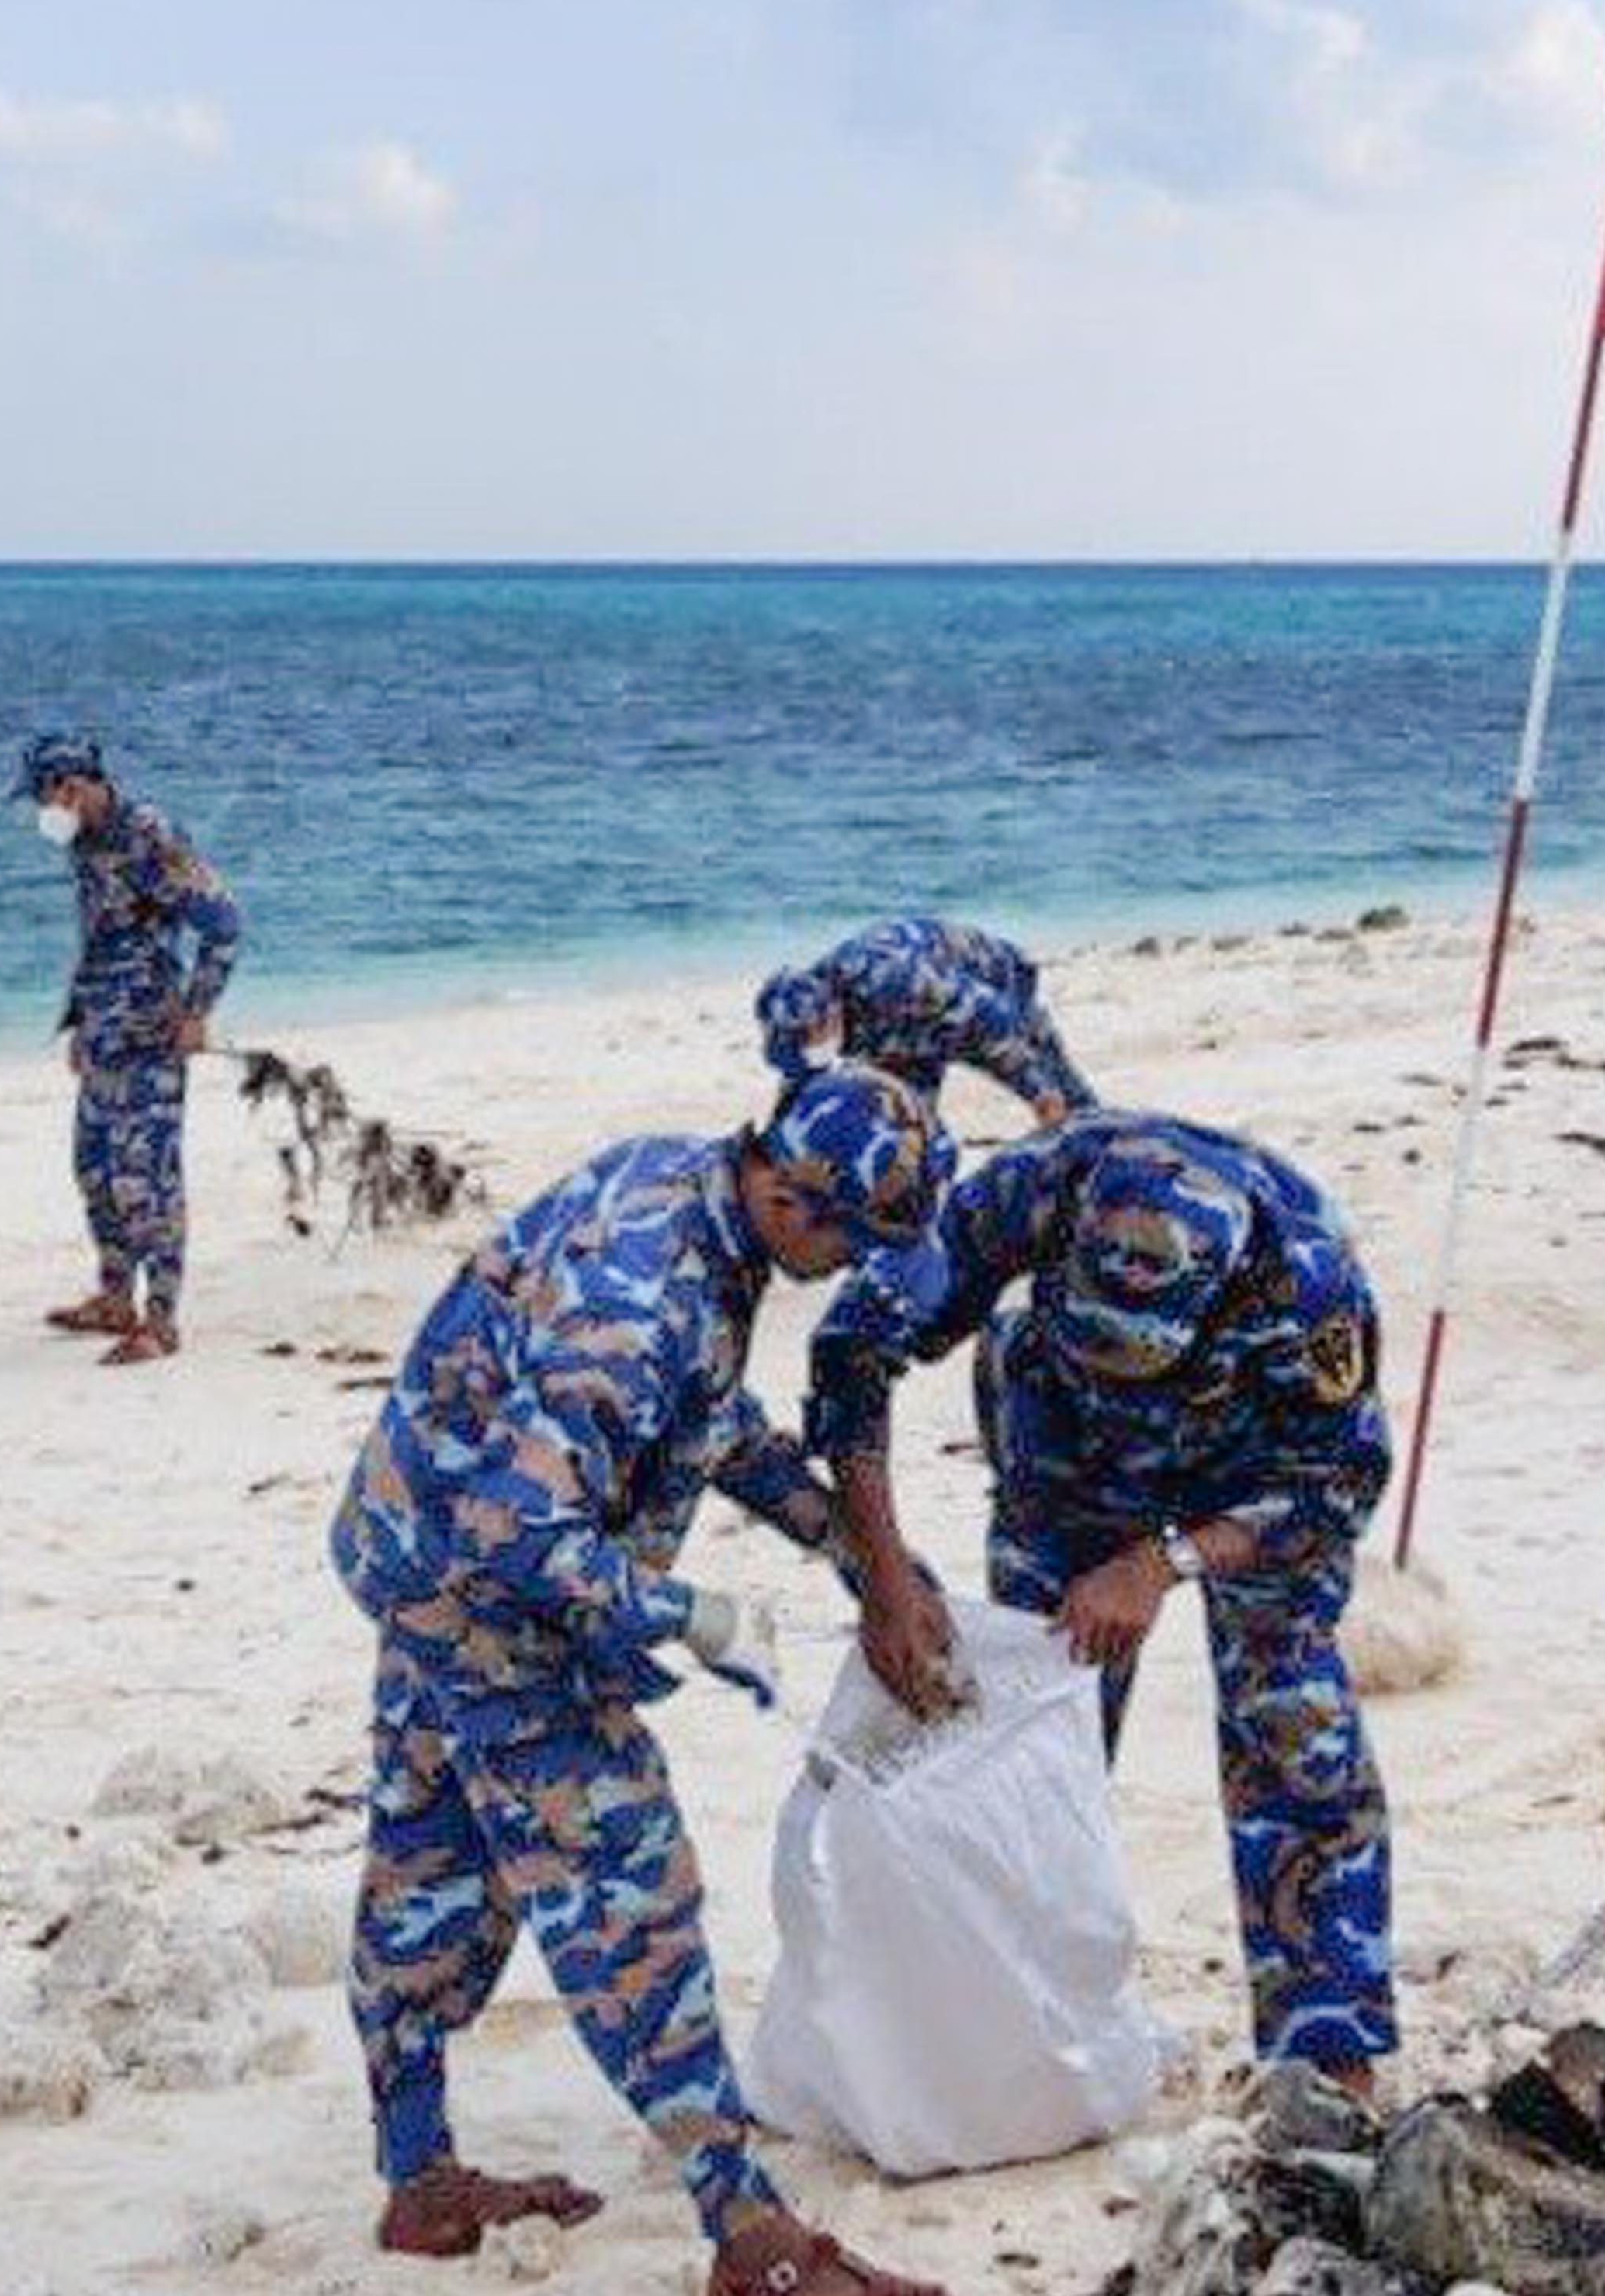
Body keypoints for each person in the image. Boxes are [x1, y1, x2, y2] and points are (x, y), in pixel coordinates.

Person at [328, 1071, 952, 2296]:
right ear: (789, 1196)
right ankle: (752, 2240)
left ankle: (417, 2179)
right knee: (627, 1886)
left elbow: (706, 1416)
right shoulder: (641, 1297)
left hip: (412, 1546)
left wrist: (854, 1550)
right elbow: (524, 1529)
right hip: (482, 1598)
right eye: (853, 1243)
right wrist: (696, 1615)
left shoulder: (696, 1188)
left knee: (431, 1865)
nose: (850, 1268)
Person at [809, 1110, 1397, 2093]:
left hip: (1251, 1464)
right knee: (1032, 1736)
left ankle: (1327, 2052)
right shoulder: (1029, 1189)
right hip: (1065, 1449)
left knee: (1295, 1730)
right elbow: (854, 1349)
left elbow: (1331, 1487)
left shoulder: (1308, 1280)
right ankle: (1020, 2035)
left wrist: (1165, 1562)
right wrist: (882, 1570)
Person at [16, 730, 243, 1364]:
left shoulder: (151, 836)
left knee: (149, 1180)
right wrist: (79, 1024)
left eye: (44, 794)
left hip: (150, 1037)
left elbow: (224, 926)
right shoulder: (85, 843)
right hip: (104, 1036)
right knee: (94, 1170)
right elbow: (98, 936)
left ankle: (161, 1320)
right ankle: (115, 1298)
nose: (41, 809)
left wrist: (196, 1013)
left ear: (73, 786)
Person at [755, 917, 1094, 1133]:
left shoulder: (893, 979)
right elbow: (798, 1083)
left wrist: (1038, 1093)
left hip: (992, 994)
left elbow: (993, 1018)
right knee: (905, 1133)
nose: (806, 1054)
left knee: (1069, 1108)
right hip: (904, 1034)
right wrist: (773, 1145)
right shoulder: (806, 1004)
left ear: (828, 1018)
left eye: (806, 1043)